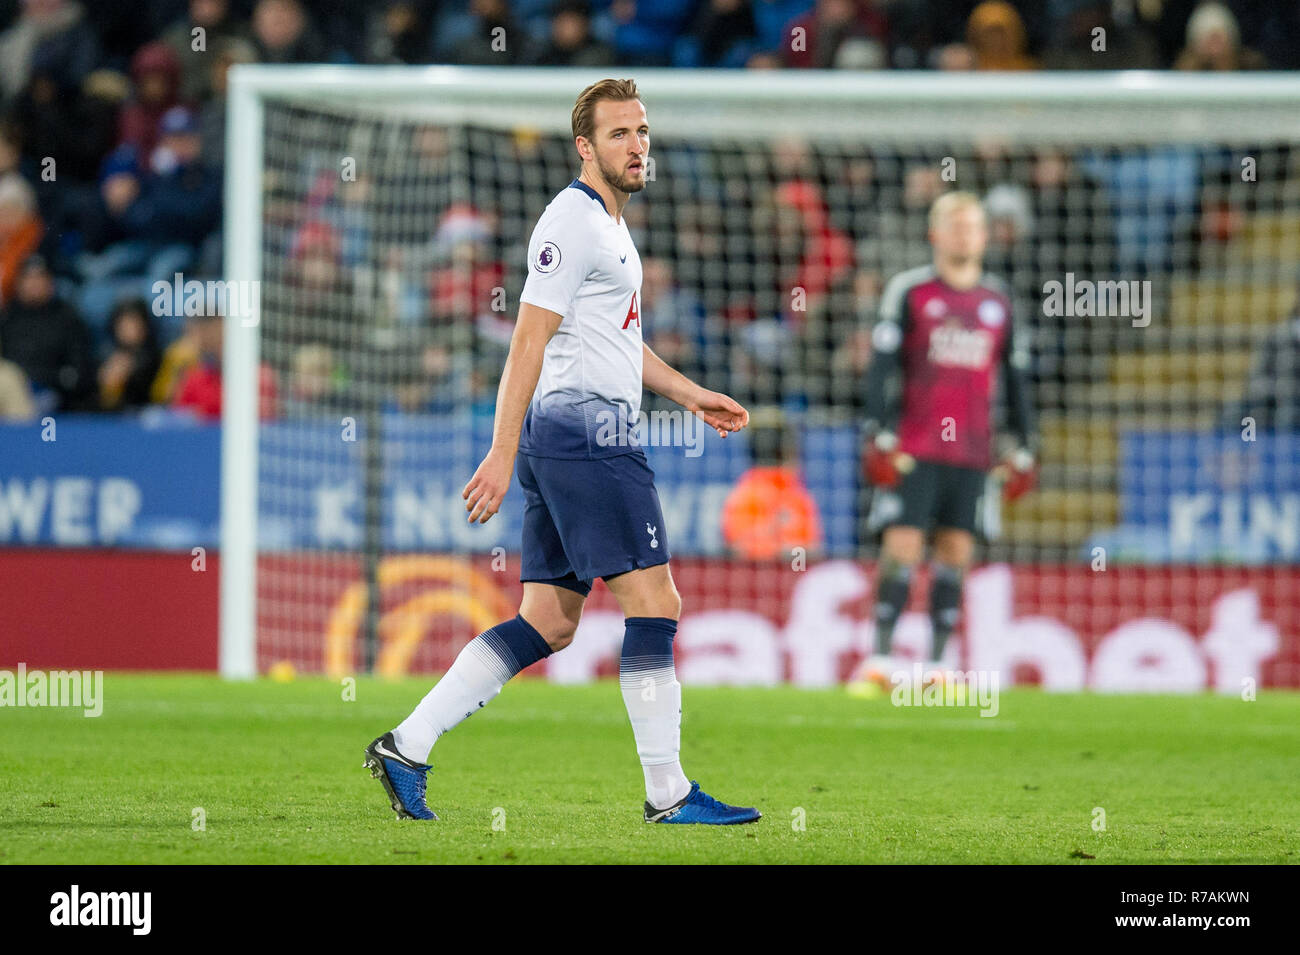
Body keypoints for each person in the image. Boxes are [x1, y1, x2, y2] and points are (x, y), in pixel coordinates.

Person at [365, 78, 761, 826]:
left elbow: (619, 341)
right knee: (657, 602)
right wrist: (498, 449)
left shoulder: (612, 227)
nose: (638, 145)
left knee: (548, 618)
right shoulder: (572, 221)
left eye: (642, 131)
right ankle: (668, 792)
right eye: (619, 134)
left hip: (571, 435)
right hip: (587, 437)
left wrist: (688, 392)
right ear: (586, 148)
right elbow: (528, 338)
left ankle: (406, 746)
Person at [854, 192, 1037, 688]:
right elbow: (882, 367)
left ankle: (938, 665)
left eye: (972, 226)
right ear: (935, 234)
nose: (963, 234)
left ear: (984, 236)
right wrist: (878, 431)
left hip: (973, 451)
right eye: (953, 225)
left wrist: (1025, 443)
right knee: (903, 544)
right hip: (915, 446)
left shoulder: (998, 301)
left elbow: (1015, 378)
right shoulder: (911, 292)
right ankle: (880, 660)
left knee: (957, 550)